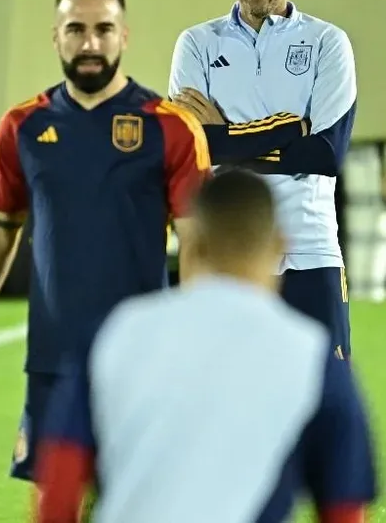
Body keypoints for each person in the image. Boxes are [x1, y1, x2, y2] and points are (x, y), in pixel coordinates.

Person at [0, 0, 212, 483]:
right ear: (56, 36)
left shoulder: (170, 126)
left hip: (141, 357)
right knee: (58, 506)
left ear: (124, 37)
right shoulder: (21, 127)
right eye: (76, 29)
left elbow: (197, 242)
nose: (90, 43)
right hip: (54, 360)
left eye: (103, 29)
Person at [35, 169, 378, 523]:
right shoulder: (314, 357)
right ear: (279, 245)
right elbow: (344, 510)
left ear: (194, 244)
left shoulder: (115, 334)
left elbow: (59, 482)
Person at [169, 0, 357, 359]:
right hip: (225, 255)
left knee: (324, 403)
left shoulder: (327, 43)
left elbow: (325, 154)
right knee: (227, 402)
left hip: (310, 251)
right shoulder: (196, 44)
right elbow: (192, 147)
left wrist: (226, 139)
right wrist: (289, 130)